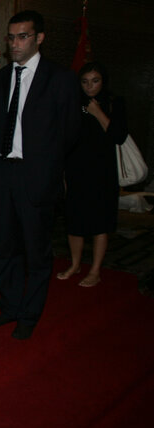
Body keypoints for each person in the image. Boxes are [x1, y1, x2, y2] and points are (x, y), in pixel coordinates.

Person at [0, 10, 80, 340]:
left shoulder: (60, 78)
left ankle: (30, 313)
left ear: (39, 38)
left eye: (23, 36)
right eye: (11, 37)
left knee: (37, 252)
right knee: (8, 248)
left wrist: (45, 167)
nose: (15, 43)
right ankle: (9, 307)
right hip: (3, 176)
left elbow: (69, 133)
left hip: (37, 177)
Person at [57, 62, 127, 287]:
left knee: (99, 222)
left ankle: (95, 270)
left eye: (95, 81)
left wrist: (97, 113)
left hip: (102, 172)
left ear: (103, 81)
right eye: (85, 82)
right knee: (74, 220)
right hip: (77, 169)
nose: (89, 87)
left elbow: (118, 136)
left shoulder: (114, 102)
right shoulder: (74, 102)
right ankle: (75, 264)